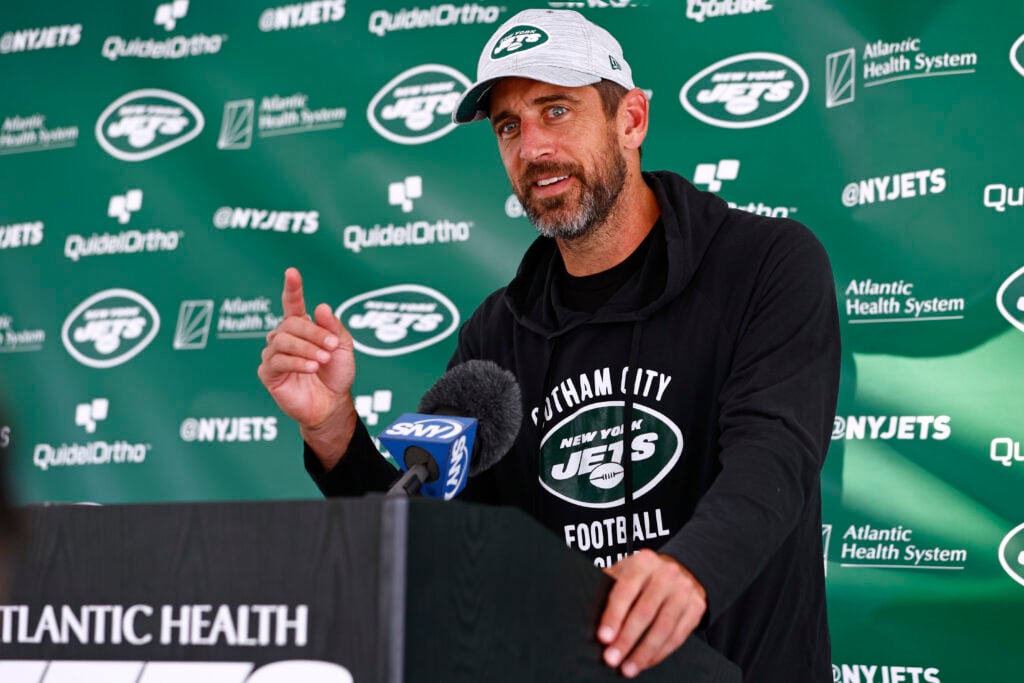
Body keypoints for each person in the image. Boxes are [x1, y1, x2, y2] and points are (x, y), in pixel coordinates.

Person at [259, 9, 840, 682]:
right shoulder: (495, 334)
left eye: (556, 110)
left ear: (631, 120)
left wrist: (690, 567)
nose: (531, 147)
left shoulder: (765, 264)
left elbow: (775, 459)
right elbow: (429, 543)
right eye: (509, 126)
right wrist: (334, 429)